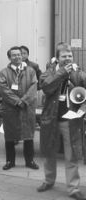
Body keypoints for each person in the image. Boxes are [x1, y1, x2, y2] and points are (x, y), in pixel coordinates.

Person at [37, 43, 86, 200]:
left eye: (70, 56)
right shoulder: (49, 72)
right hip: (51, 119)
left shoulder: (79, 73)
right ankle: (48, 180)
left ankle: (73, 188)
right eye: (64, 56)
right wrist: (61, 73)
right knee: (49, 151)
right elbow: (45, 86)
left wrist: (82, 110)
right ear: (57, 58)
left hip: (71, 121)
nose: (67, 58)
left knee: (71, 155)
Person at [0, 46, 39, 171]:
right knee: (10, 135)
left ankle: (30, 161)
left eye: (19, 54)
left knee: (28, 135)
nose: (17, 56)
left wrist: (24, 101)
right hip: (11, 108)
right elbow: (4, 89)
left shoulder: (31, 71)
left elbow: (34, 87)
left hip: (27, 108)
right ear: (9, 57)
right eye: (14, 55)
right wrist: (17, 101)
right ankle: (10, 161)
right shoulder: (4, 72)